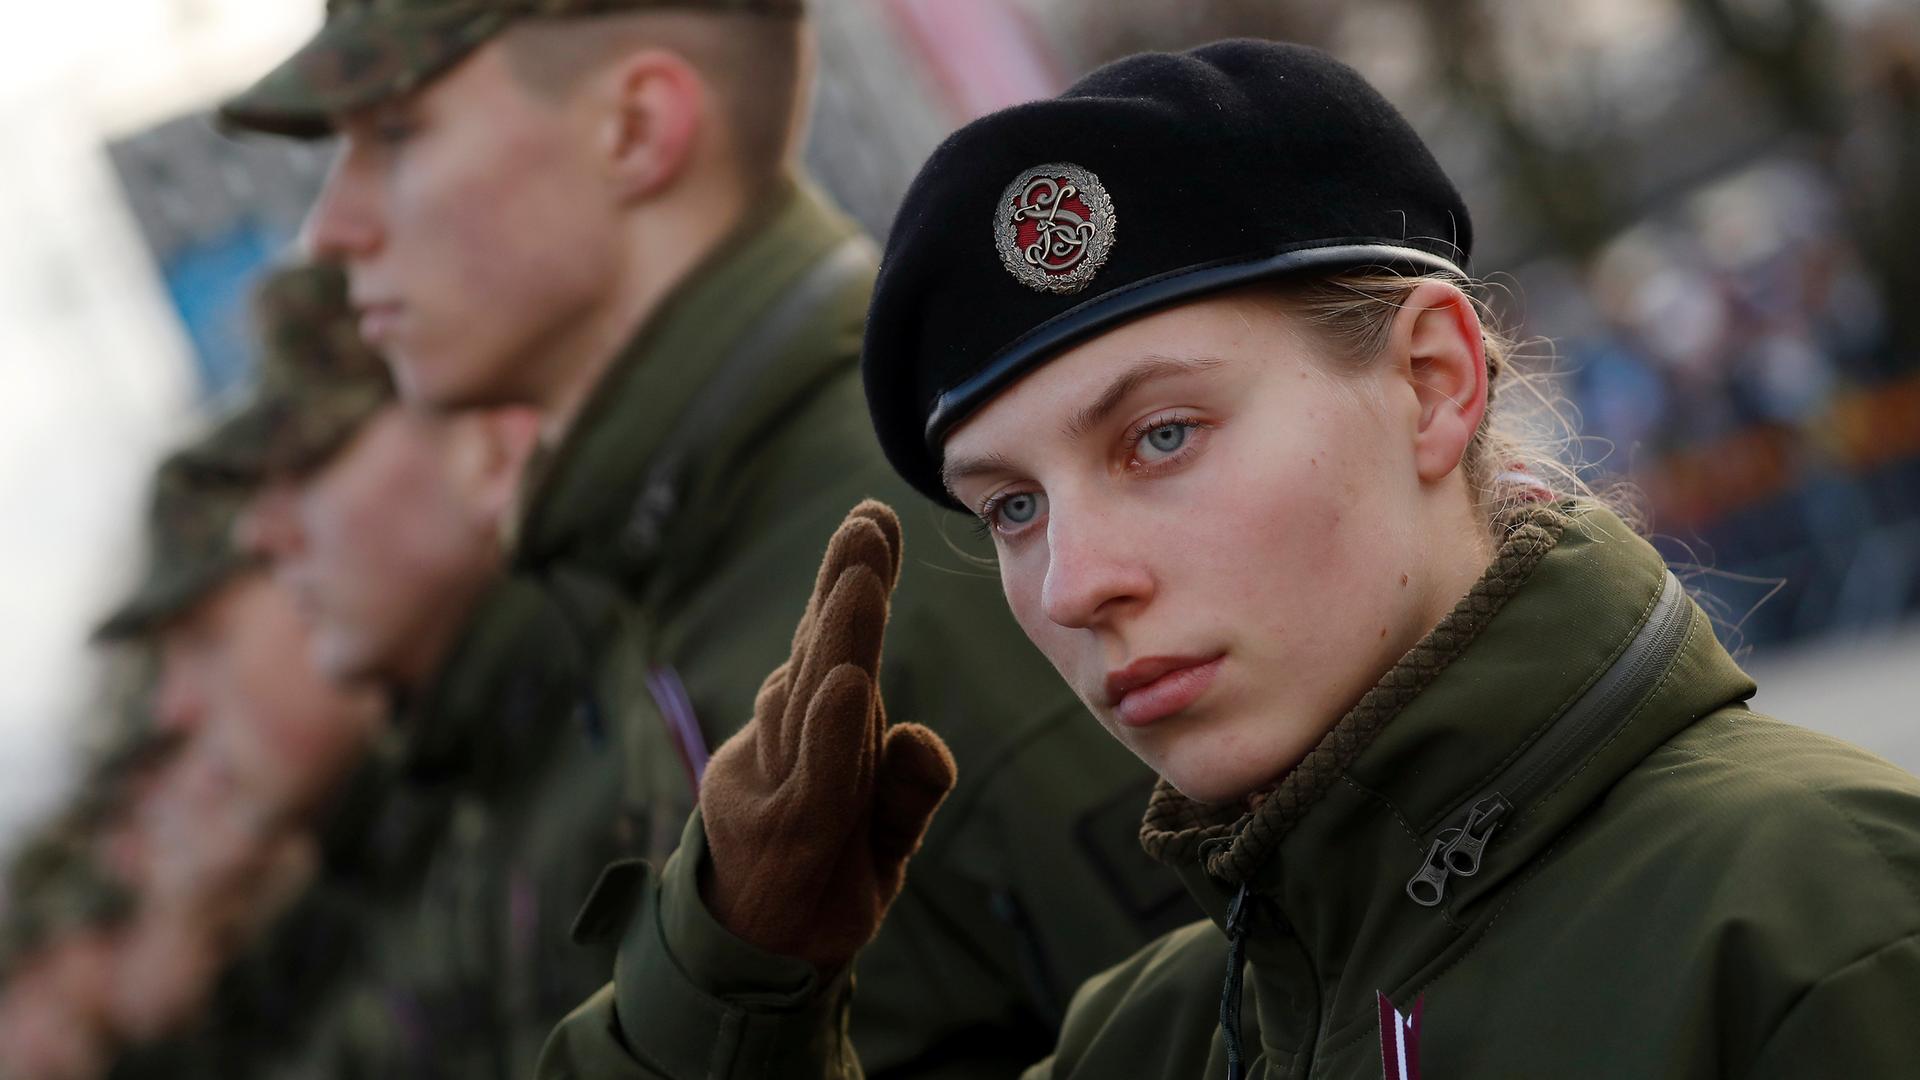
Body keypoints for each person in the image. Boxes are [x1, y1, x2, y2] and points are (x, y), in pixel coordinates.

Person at [537, 40, 1920, 1078]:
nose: (1077, 584)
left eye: (1161, 435)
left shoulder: (1820, 925)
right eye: (1011, 507)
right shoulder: (1144, 1039)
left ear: (1434, 384)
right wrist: (728, 980)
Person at [220, 1, 1175, 1072]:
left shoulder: (927, 529)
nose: (331, 228)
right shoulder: (674, 556)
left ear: (635, 127)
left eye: (395, 138)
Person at [230, 261, 625, 1077]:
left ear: (491, 445)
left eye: (309, 456)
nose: (262, 536)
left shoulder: (642, 727)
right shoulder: (503, 794)